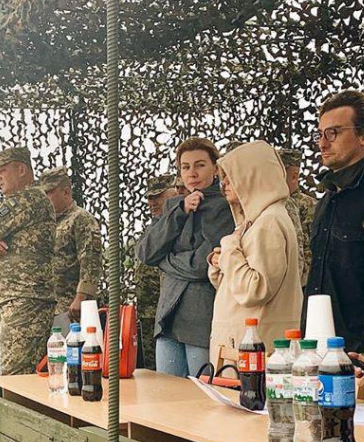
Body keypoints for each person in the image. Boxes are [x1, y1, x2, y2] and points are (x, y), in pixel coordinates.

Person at [135, 137, 235, 377]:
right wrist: (179, 213)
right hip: (168, 319)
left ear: (215, 167)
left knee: (201, 400)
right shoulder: (173, 205)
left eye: (200, 165)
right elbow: (146, 252)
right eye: (185, 167)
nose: (192, 173)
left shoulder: (226, 206)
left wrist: (166, 261)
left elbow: (204, 265)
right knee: (167, 397)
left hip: (202, 318)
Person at [304, 90, 364, 352]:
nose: (323, 143)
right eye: (320, 134)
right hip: (315, 343)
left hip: (359, 348)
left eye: (333, 133)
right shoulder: (327, 198)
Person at [208, 142, 302, 365]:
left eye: (231, 177)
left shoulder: (269, 222)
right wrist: (218, 262)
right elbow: (233, 286)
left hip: (254, 347)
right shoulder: (254, 221)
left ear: (252, 176)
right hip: (241, 344)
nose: (224, 185)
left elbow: (255, 289)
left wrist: (229, 248)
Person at [0, 146, 55, 375]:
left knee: (16, 377)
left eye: (3, 170)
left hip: (24, 301)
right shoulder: (24, 200)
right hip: (17, 301)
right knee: (18, 376)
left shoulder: (27, 199)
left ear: (22, 169)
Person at [40, 166, 102, 327]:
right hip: (47, 307)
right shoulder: (45, 223)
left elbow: (90, 261)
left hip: (71, 309)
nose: (44, 198)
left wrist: (81, 297)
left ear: (66, 192)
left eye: (49, 193)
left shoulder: (81, 219)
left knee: (72, 352)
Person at [135, 176, 177, 367]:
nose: (153, 203)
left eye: (158, 197)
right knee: (152, 367)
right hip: (147, 309)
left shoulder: (176, 223)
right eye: (150, 198)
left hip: (169, 309)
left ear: (173, 193)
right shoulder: (153, 227)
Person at [278, 147, 315, 285]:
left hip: (306, 280)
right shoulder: (274, 204)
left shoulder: (309, 204)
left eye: (279, 174)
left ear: (294, 176)